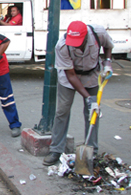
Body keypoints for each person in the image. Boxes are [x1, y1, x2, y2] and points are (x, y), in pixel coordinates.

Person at [42, 21, 114, 166]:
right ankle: (56, 149)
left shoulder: (98, 33)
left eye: (78, 42)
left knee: (92, 112)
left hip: (92, 76)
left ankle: (91, 150)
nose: (75, 45)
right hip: (70, 79)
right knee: (62, 111)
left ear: (86, 36)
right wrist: (88, 97)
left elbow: (108, 46)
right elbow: (71, 75)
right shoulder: (62, 46)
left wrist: (107, 62)